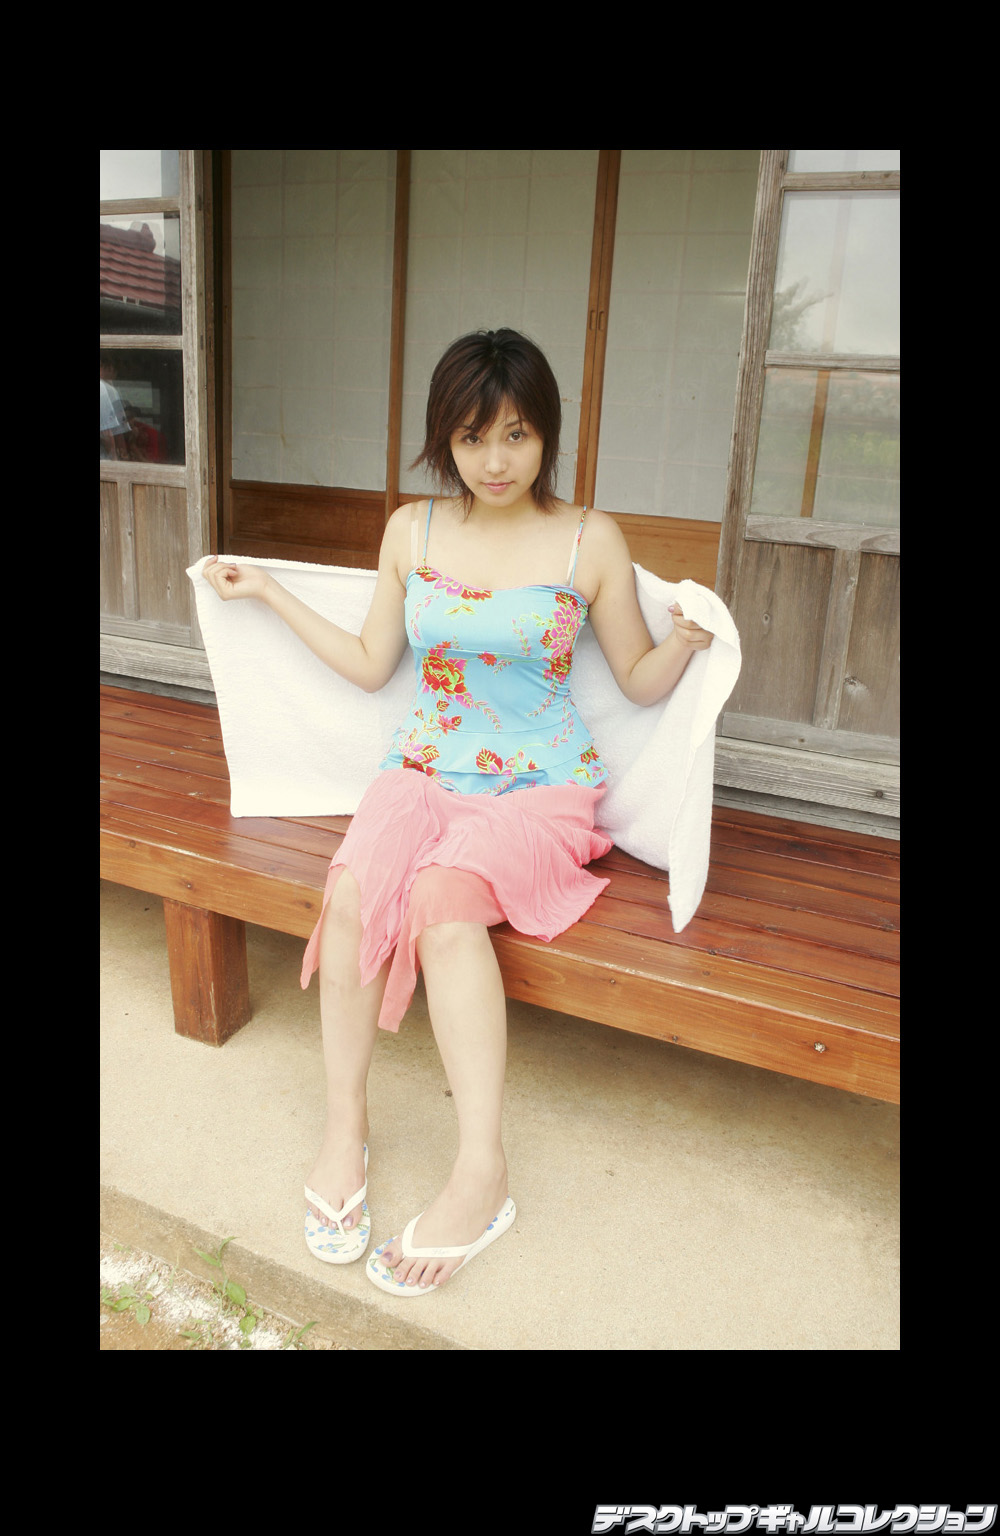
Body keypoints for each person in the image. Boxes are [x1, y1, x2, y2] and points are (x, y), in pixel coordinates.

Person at [202, 328, 713, 1298]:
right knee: (352, 892)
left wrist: (685, 644)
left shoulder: (590, 539)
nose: (494, 460)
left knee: (440, 902)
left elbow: (638, 682)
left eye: (516, 434)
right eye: (473, 436)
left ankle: (483, 1173)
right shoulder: (412, 531)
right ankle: (344, 1130)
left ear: (546, 435)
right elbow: (371, 665)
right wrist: (266, 591)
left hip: (540, 788)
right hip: (421, 771)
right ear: (444, 436)